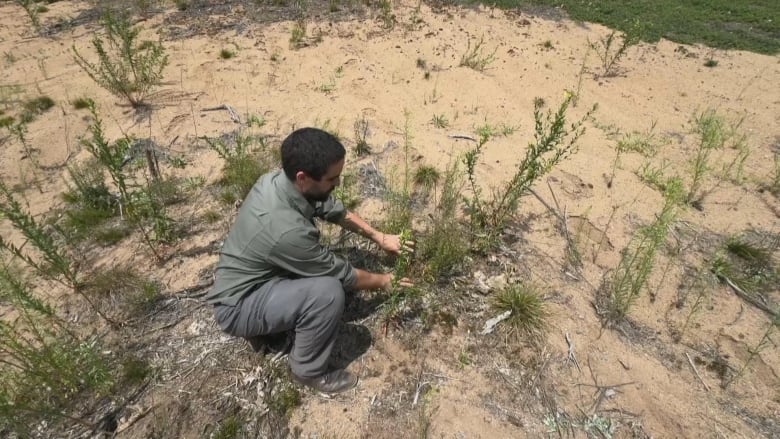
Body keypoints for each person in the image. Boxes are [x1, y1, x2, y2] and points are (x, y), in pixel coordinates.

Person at [206, 127, 412, 394]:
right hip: (236, 307)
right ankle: (308, 370)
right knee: (327, 293)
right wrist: (385, 281)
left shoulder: (277, 182)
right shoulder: (286, 232)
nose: (337, 184)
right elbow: (344, 276)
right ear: (303, 178)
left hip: (256, 280)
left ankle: (271, 324)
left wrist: (379, 236)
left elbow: (331, 208)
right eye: (332, 179)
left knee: (317, 277)